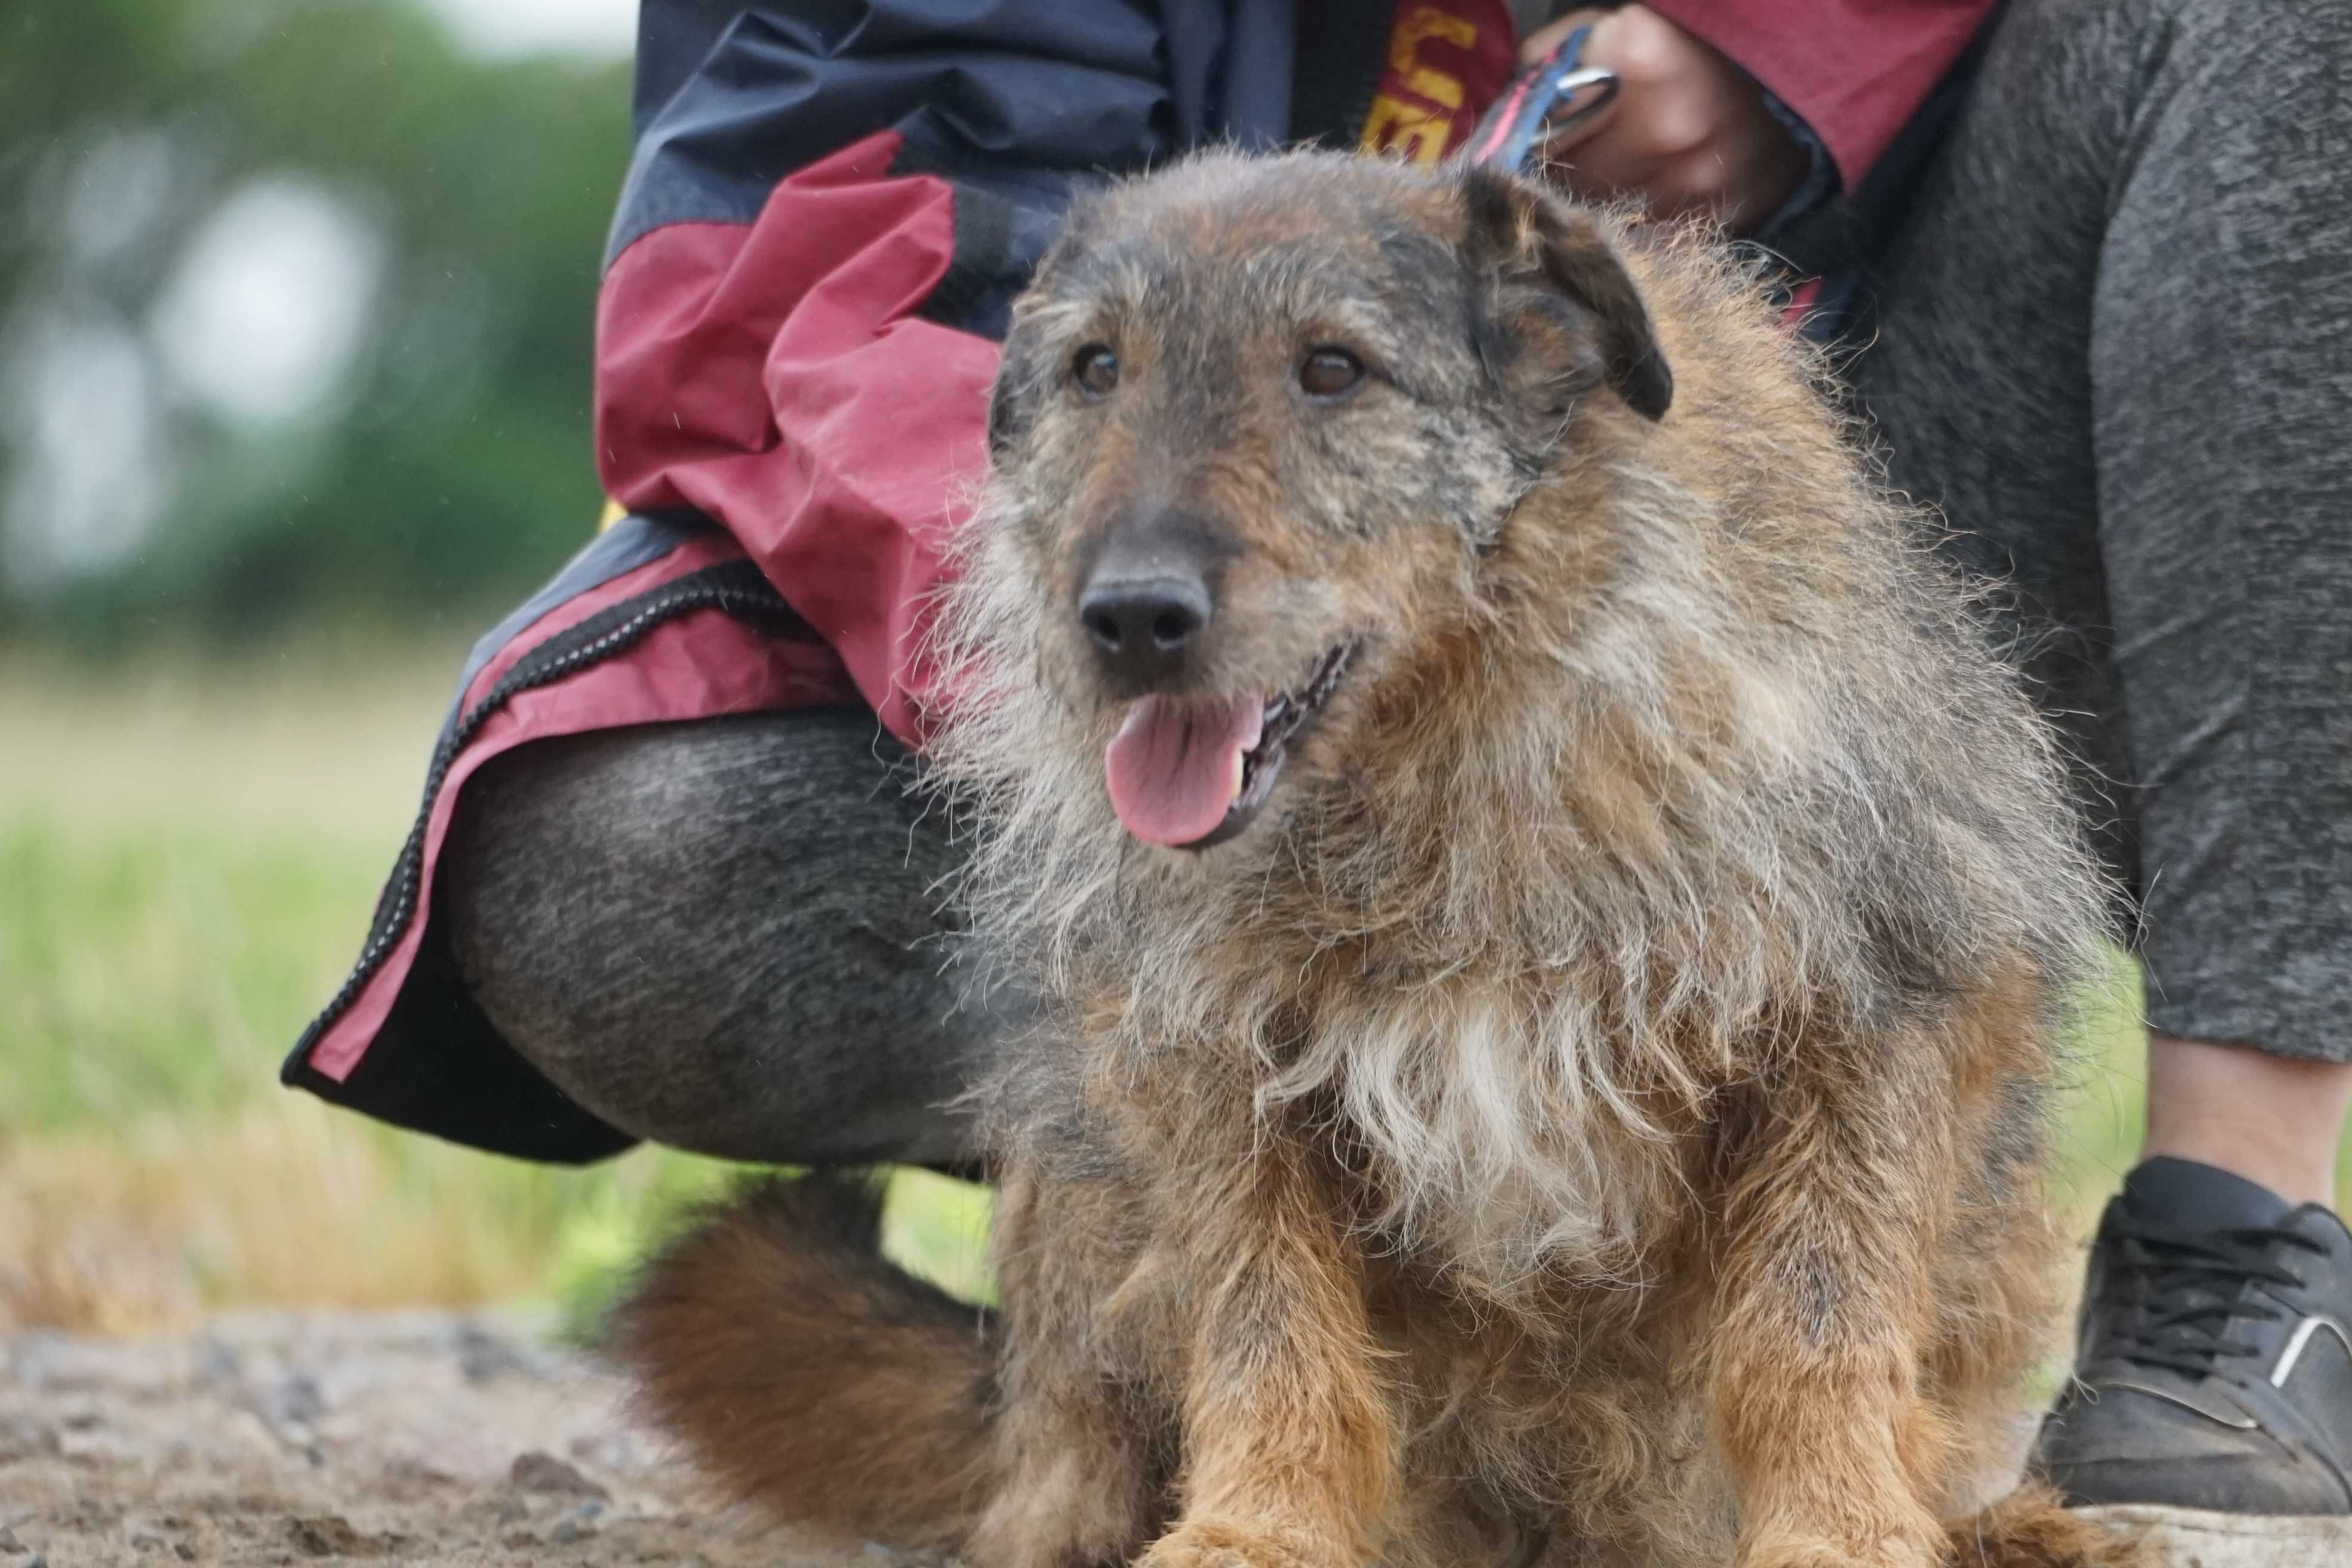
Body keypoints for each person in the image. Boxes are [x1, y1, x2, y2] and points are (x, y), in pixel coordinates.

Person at [282, 0, 2352, 1534]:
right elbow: (799, 254)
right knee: (615, 861)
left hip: (1869, 464)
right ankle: (1269, 1373)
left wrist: (1780, 43)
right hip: (1193, 599)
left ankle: (2228, 1263)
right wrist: (1116, 602)